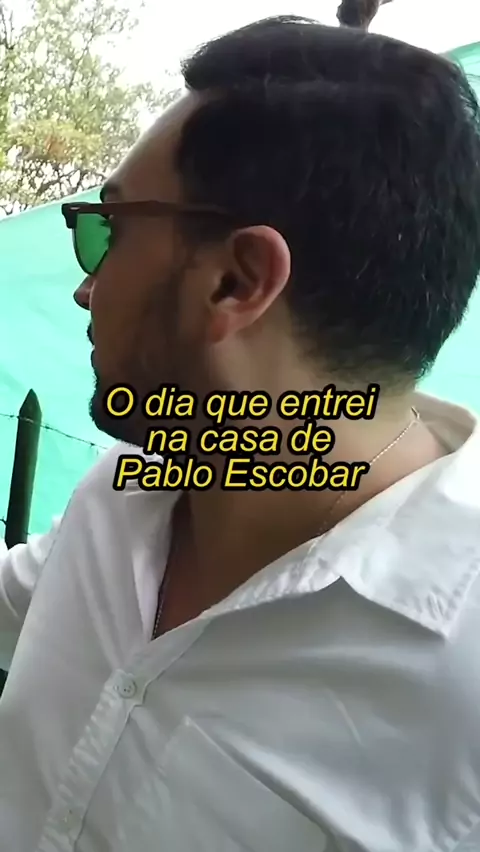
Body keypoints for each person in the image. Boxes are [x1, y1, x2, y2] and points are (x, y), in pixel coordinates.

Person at [1, 15, 480, 852]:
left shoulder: (459, 680)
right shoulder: (132, 487)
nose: (85, 290)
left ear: (236, 280)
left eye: (108, 231)